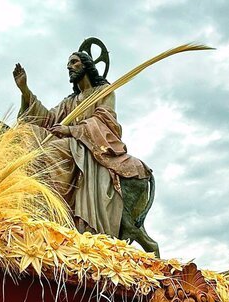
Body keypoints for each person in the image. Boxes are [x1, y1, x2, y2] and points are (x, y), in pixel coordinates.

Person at [13, 51, 152, 239]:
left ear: (86, 65)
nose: (69, 67)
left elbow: (105, 121)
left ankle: (58, 210)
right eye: (68, 64)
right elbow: (48, 119)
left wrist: (71, 131)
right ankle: (40, 206)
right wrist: (25, 90)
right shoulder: (70, 101)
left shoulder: (103, 93)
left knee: (53, 149)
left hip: (87, 147)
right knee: (30, 133)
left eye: (74, 62)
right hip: (67, 142)